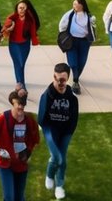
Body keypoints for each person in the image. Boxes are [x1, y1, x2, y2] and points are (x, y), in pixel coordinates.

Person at [0, 90, 40, 201]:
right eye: (18, 104)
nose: (21, 107)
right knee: (9, 197)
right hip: (5, 163)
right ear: (12, 103)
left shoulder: (29, 120)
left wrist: (28, 151)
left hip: (21, 164)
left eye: (23, 104)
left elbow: (35, 139)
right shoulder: (1, 119)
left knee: (19, 197)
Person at [38, 63, 79, 200]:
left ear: (67, 79)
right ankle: (50, 175)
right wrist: (44, 128)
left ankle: (60, 185)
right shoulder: (47, 95)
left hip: (65, 130)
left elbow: (74, 118)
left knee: (63, 158)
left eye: (62, 79)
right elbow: (41, 116)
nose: (59, 82)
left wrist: (69, 132)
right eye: (56, 78)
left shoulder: (72, 98)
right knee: (57, 157)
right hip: (51, 128)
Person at [58, 0, 96, 94]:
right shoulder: (69, 15)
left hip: (84, 42)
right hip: (72, 41)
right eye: (73, 4)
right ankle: (75, 82)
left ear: (82, 5)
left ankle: (76, 77)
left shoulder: (88, 16)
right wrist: (65, 35)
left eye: (76, 4)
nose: (74, 6)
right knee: (73, 62)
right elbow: (62, 25)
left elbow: (92, 28)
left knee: (82, 61)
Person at [2, 0, 41, 91]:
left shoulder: (30, 20)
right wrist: (9, 29)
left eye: (24, 8)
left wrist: (35, 41)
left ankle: (19, 84)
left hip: (25, 45)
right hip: (14, 45)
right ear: (17, 8)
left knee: (21, 64)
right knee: (18, 64)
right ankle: (21, 86)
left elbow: (33, 31)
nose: (22, 10)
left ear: (27, 9)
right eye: (20, 8)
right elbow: (4, 30)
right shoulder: (11, 18)